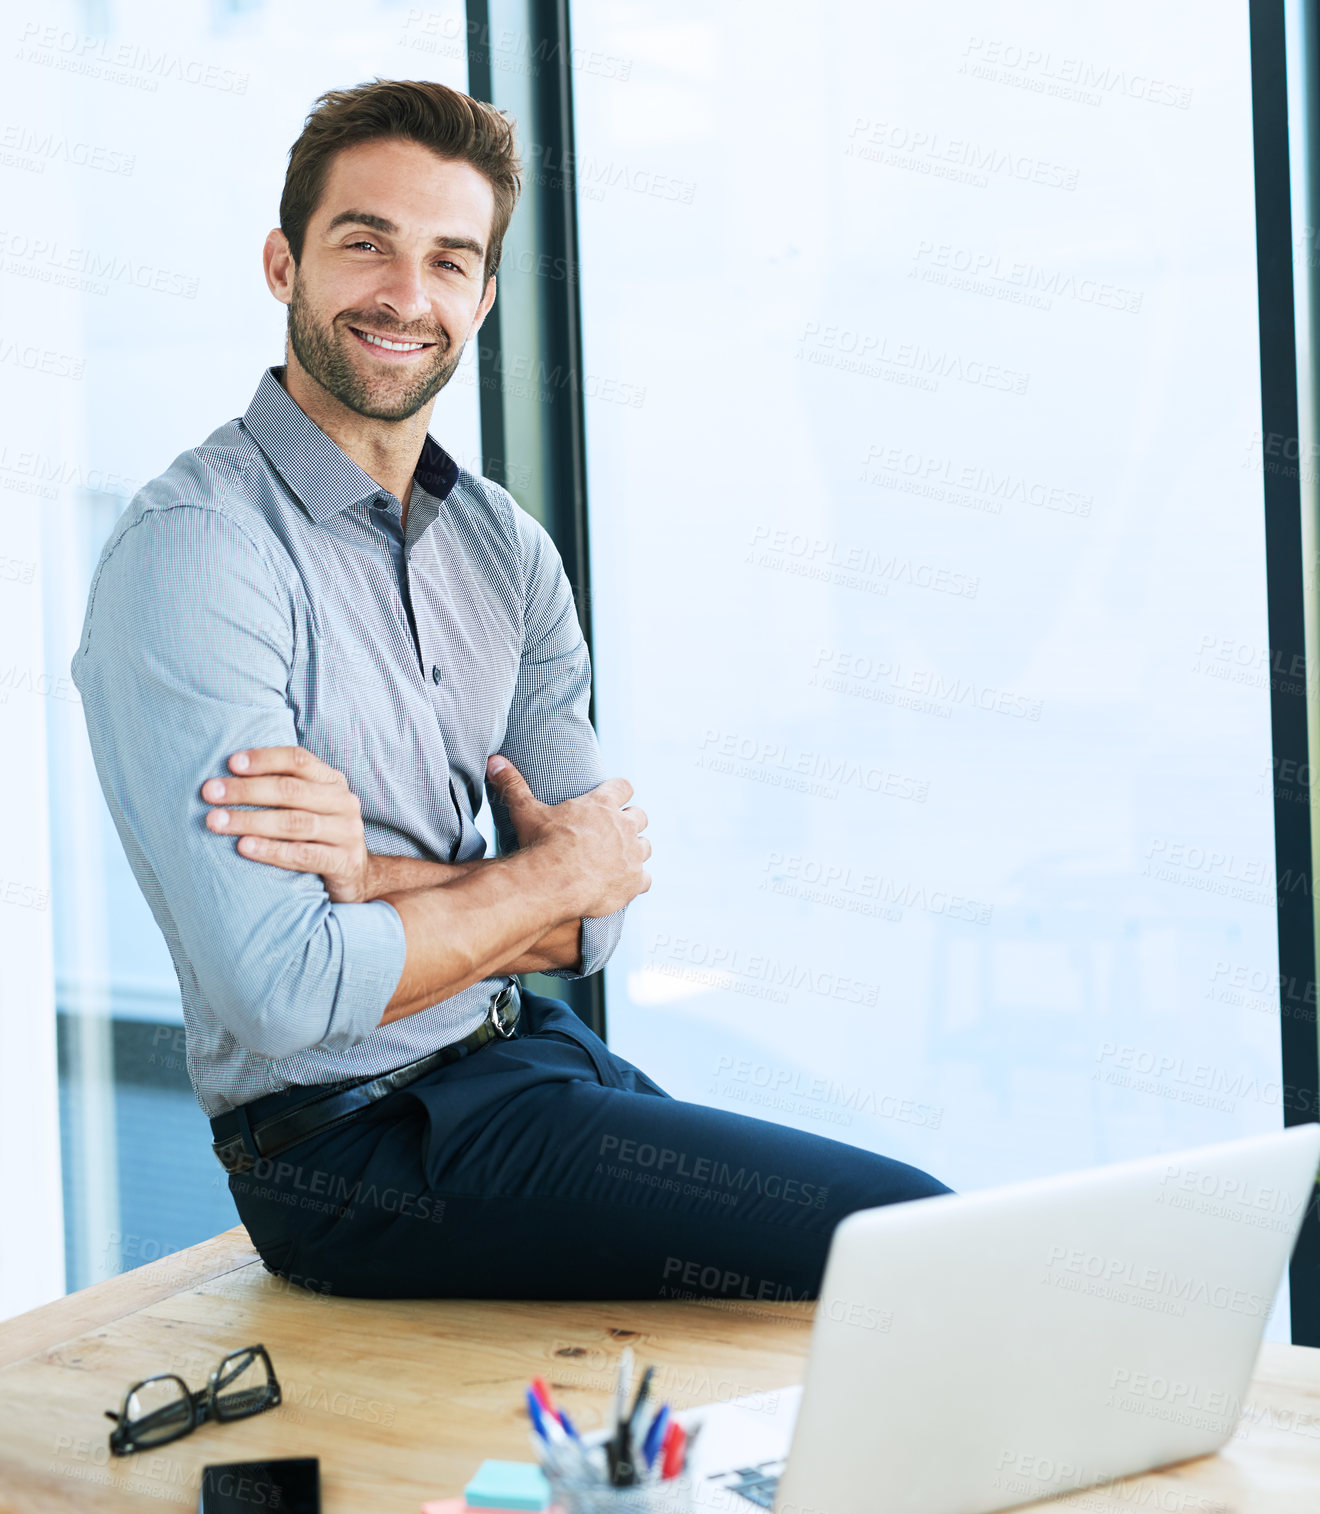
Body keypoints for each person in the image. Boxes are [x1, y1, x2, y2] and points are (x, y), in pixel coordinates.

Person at [71, 78, 949, 1301]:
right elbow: (280, 992)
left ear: (481, 295)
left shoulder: (504, 548)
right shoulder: (200, 550)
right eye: (363, 243)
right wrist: (532, 882)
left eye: (448, 260)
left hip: (526, 1055)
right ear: (284, 263)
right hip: (350, 1144)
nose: (404, 295)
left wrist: (371, 881)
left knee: (867, 1266)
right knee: (910, 1234)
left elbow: (597, 918)